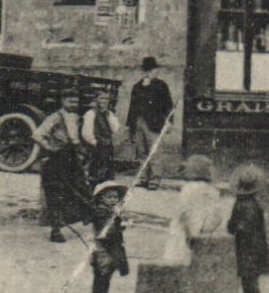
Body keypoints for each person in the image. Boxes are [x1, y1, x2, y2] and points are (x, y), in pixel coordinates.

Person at [32, 93, 92, 243]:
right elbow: (37, 135)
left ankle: (98, 223)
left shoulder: (76, 117)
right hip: (57, 159)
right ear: (63, 101)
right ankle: (56, 231)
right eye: (70, 101)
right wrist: (49, 148)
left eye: (76, 101)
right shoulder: (54, 117)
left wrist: (80, 152)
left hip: (72, 158)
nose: (73, 104)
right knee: (56, 194)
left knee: (82, 189)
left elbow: (75, 138)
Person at [163, 155, 228, 264]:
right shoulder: (213, 191)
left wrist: (191, 234)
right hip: (204, 239)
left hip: (183, 239)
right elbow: (217, 217)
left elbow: (183, 213)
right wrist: (205, 230)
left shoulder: (188, 189)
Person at [227, 165, 269, 293]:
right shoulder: (252, 204)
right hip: (253, 242)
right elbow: (250, 225)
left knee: (247, 272)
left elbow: (232, 224)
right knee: (252, 273)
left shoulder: (238, 203)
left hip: (242, 242)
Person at [126, 57, 173, 189]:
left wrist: (169, 122)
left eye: (154, 70)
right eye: (149, 70)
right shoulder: (137, 87)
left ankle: (155, 179)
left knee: (155, 151)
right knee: (141, 151)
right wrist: (130, 125)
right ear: (144, 71)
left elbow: (169, 106)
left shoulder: (161, 86)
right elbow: (132, 107)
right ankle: (142, 177)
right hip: (138, 122)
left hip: (154, 123)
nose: (153, 72)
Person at [89, 180, 130, 293]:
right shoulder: (101, 213)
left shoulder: (109, 212)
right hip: (103, 248)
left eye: (115, 197)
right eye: (109, 197)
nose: (113, 200)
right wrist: (118, 226)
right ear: (101, 199)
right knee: (103, 275)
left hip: (108, 247)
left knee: (105, 275)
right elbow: (107, 232)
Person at [81, 89, 121, 186]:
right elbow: (86, 132)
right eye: (101, 98)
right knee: (95, 171)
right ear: (95, 100)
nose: (104, 101)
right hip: (96, 147)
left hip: (107, 146)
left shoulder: (109, 114)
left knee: (107, 171)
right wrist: (94, 143)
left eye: (106, 99)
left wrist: (108, 116)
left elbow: (115, 128)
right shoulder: (91, 113)